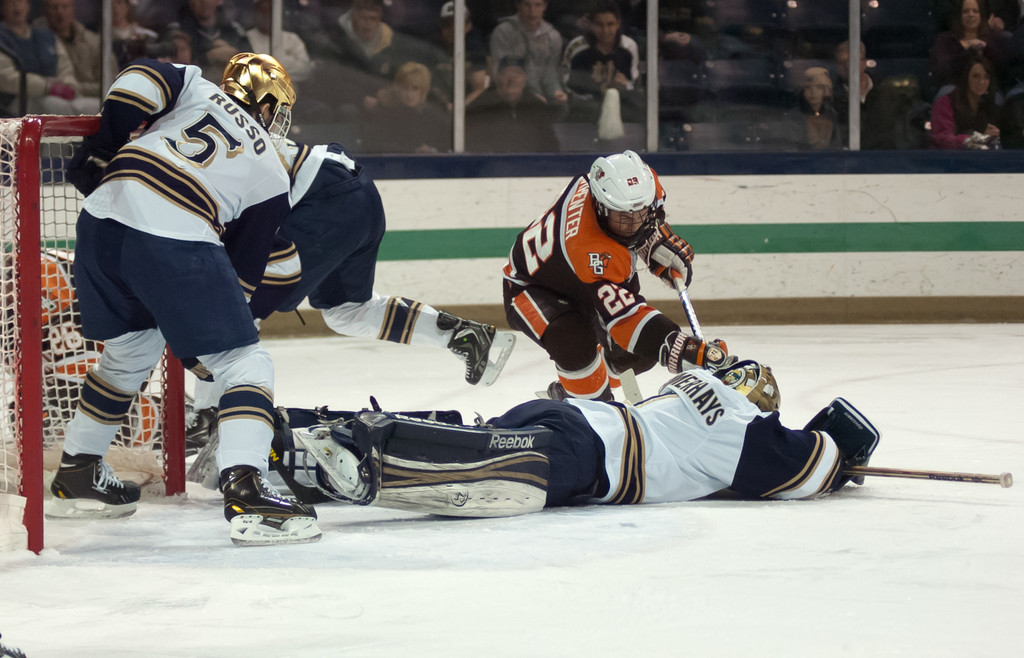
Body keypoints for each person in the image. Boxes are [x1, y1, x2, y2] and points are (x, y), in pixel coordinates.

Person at [50, 53, 320, 546]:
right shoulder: (274, 173)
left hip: (99, 223)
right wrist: (204, 350)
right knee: (246, 364)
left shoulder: (195, 86)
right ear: (265, 104)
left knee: (130, 353)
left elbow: (138, 81)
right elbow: (238, 279)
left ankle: (79, 471)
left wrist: (103, 148)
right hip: (172, 231)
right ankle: (248, 491)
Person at [185, 135, 517, 449]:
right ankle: (465, 337)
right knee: (347, 311)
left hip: (326, 199)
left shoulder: (192, 174)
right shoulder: (208, 148)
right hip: (355, 192)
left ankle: (207, 414)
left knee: (238, 306)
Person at [256, 359, 881, 516]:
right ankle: (364, 447)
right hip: (587, 455)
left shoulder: (690, 384)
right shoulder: (745, 431)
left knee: (476, 437)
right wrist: (843, 458)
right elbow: (812, 467)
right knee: (480, 468)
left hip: (573, 415)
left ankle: (291, 430)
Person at [502, 150, 731, 402]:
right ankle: (584, 403)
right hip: (532, 287)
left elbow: (645, 215)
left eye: (639, 215)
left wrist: (653, 240)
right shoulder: (589, 248)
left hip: (580, 279)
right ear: (600, 207)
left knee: (637, 354)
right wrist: (683, 349)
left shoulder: (634, 185)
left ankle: (583, 383)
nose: (632, 224)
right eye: (623, 218)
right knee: (575, 343)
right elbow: (627, 320)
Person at [561, 1, 643, 137]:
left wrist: (625, 86)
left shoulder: (629, 47)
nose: (605, 31)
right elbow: (566, 83)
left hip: (621, 109)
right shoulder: (576, 47)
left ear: (618, 23)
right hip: (584, 111)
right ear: (591, 24)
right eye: (599, 25)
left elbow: (634, 84)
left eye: (610, 24)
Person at [0, 0, 93, 115]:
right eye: (10, 2)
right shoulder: (2, 39)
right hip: (14, 102)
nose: (16, 6)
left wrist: (70, 85)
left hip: (55, 96)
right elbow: (6, 78)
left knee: (94, 106)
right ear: (2, 7)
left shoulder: (46, 36)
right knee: (54, 107)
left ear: (28, 6)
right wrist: (47, 87)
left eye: (20, 1)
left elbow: (65, 68)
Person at [465, 55, 559, 152]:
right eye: (506, 73)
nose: (512, 79)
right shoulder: (480, 107)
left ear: (525, 79)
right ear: (498, 78)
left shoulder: (536, 107)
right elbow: (473, 148)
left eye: (517, 73)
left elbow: (551, 147)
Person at [489, 0, 568, 112]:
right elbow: (505, 76)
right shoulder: (503, 32)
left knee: (562, 108)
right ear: (518, 5)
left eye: (537, 5)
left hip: (542, 98)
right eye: (527, 5)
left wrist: (555, 91)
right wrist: (531, 96)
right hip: (512, 96)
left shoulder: (553, 37)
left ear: (544, 6)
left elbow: (550, 73)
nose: (532, 11)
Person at [361, 60, 452, 153]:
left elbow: (447, 146)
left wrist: (432, 151)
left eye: (415, 88)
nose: (409, 94)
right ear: (397, 88)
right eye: (405, 88)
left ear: (424, 89)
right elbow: (374, 145)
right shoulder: (386, 113)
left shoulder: (436, 116)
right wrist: (414, 150)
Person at [33, 0, 108, 101]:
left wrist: (75, 88)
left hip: (92, 101)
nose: (60, 12)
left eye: (65, 7)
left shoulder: (94, 42)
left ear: (73, 9)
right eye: (54, 7)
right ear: (45, 10)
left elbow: (109, 83)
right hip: (51, 100)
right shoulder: (34, 39)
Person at [930, 0, 1010, 94]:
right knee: (945, 93)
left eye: (975, 11)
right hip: (956, 88)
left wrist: (986, 49)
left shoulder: (994, 39)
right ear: (959, 15)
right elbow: (941, 71)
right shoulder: (945, 39)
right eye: (966, 11)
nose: (970, 15)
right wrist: (967, 51)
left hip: (987, 89)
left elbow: (1002, 69)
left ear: (982, 14)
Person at [426, 0, 489, 110]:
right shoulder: (432, 48)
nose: (452, 29)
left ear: (468, 26)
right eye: (447, 24)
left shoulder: (474, 49)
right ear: (440, 26)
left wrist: (458, 109)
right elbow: (426, 83)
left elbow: (479, 88)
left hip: (468, 111)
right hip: (435, 109)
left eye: (458, 23)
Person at [930, 52, 1002, 148]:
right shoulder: (945, 103)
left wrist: (993, 137)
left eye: (986, 77)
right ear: (965, 77)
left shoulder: (991, 106)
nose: (981, 82)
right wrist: (977, 139)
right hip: (948, 160)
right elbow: (943, 138)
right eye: (975, 76)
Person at [169, 0, 252, 79]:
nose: (204, 2)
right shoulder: (178, 31)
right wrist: (207, 58)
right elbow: (174, 67)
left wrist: (235, 56)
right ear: (191, 2)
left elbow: (251, 64)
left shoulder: (234, 31)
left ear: (219, 1)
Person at [244, 0, 312, 83]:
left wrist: (271, 66)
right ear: (255, 14)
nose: (266, 16)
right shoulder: (245, 39)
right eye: (263, 11)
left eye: (270, 12)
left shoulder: (292, 39)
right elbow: (251, 71)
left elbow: (305, 69)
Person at [782, 66, 842, 151]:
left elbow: (837, 147)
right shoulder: (793, 117)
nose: (813, 92)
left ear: (826, 90)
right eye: (808, 87)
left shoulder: (831, 115)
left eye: (819, 87)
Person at [111, 0, 158, 71]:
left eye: (119, 2)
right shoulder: (98, 38)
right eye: (111, 4)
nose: (115, 8)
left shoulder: (145, 35)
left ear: (127, 6)